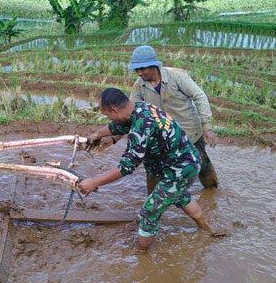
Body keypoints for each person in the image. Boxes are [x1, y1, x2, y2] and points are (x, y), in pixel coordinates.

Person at [78, 88, 224, 251]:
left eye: (108, 115)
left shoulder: (141, 128)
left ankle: (142, 255)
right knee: (179, 195)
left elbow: (126, 166)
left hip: (180, 169)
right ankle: (208, 229)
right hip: (188, 161)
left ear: (115, 110)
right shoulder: (141, 108)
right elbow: (118, 126)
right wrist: (97, 134)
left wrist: (94, 182)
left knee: (149, 212)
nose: (109, 119)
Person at [128, 45, 219, 192]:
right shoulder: (139, 86)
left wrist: (207, 127)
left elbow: (199, 96)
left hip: (188, 131)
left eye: (142, 69)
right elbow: (132, 112)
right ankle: (153, 202)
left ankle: (212, 192)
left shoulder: (176, 76)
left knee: (202, 164)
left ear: (153, 66)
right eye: (136, 70)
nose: (139, 73)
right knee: (153, 170)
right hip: (160, 136)